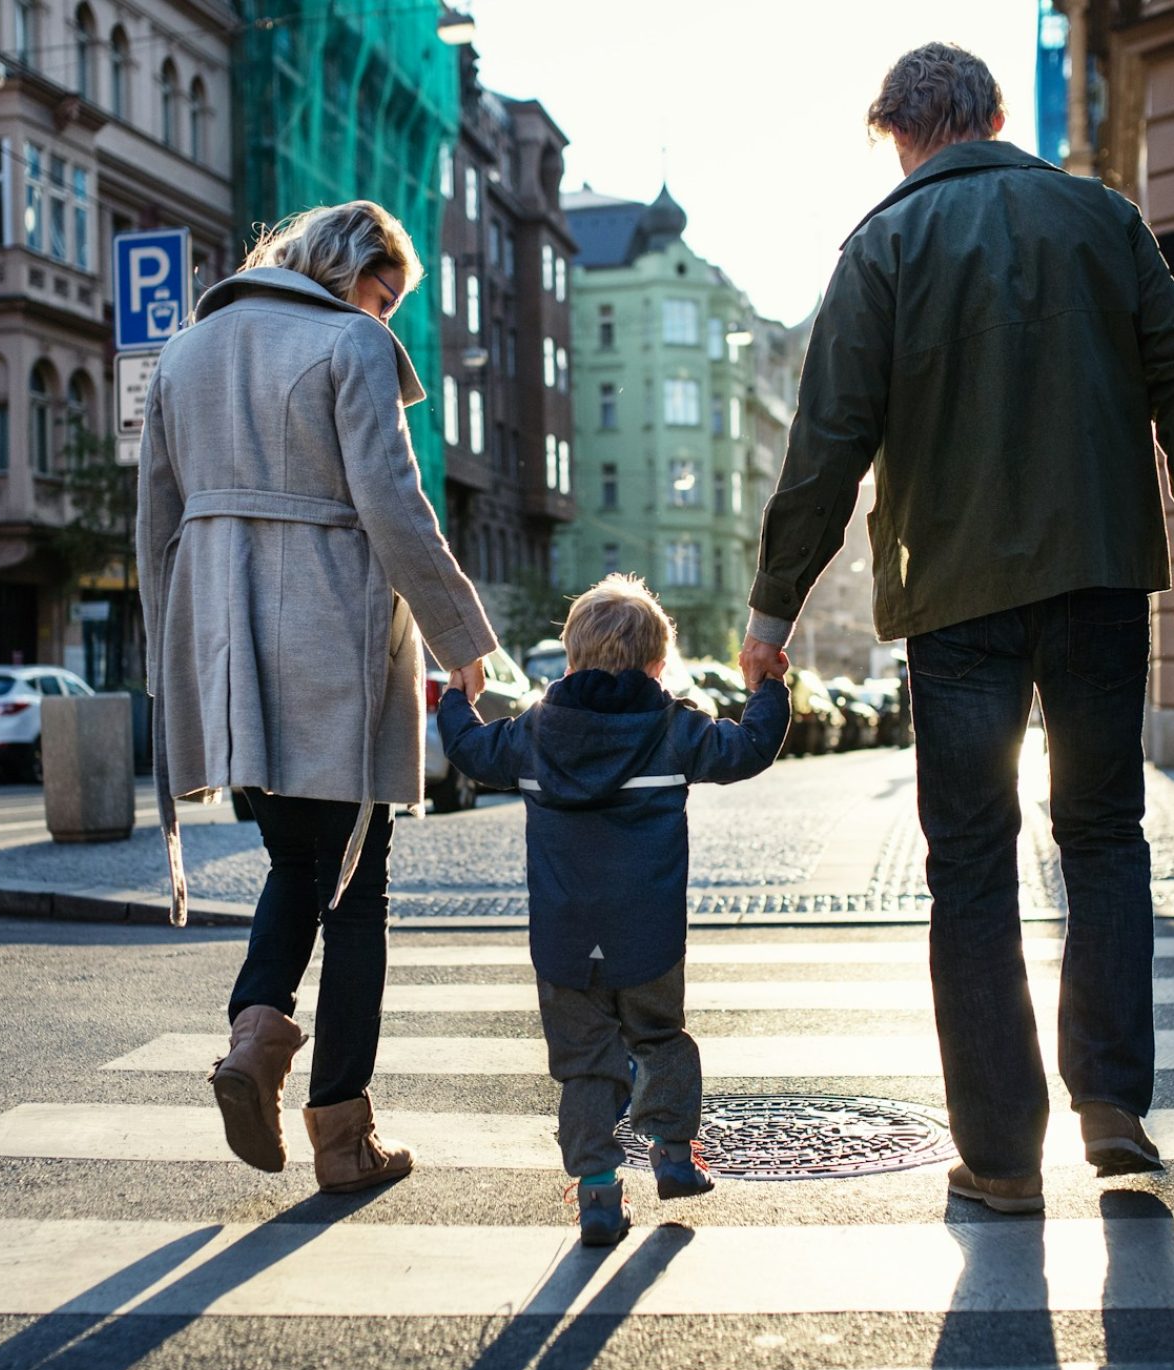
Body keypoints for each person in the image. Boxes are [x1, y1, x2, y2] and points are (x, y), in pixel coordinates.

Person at [739, 42, 1172, 1214]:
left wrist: (772, 609)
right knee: (1102, 833)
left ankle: (996, 1154)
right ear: (988, 114)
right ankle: (1113, 1105)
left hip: (955, 596)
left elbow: (823, 443)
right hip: (1095, 574)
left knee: (971, 865)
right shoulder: (1105, 221)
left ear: (900, 133)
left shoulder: (879, 248)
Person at [136, 201, 496, 1194]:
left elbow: (154, 524)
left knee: (298, 859)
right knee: (354, 885)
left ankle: (255, 1037)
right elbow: (391, 501)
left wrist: (176, 667)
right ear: (346, 273)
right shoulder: (350, 344)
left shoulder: (185, 352)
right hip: (328, 635)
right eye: (382, 296)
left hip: (227, 646)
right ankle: (339, 1128)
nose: (385, 318)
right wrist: (462, 638)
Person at [437, 575, 789, 1245]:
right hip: (649, 934)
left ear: (570, 659)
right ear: (658, 664)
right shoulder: (673, 727)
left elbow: (471, 751)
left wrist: (459, 697)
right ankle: (675, 1155)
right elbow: (747, 749)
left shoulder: (535, 733)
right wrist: (766, 689)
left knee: (585, 1064)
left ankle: (598, 1191)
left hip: (566, 939)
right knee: (661, 1039)